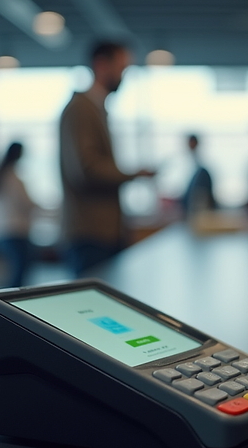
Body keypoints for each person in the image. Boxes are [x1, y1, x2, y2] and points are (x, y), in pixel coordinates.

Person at [59, 41, 156, 276]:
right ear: (102, 65)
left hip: (103, 232)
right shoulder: (81, 109)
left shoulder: (97, 108)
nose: (124, 75)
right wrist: (135, 173)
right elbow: (87, 170)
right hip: (90, 232)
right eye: (122, 68)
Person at [0, 142, 35, 288]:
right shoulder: (13, 178)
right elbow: (25, 203)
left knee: (14, 273)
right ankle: (12, 308)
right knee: (19, 276)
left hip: (1, 232)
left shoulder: (0, 175)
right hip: (15, 231)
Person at [179, 134, 216, 218]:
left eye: (191, 143)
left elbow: (201, 198)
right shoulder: (190, 168)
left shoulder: (201, 172)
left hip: (200, 217)